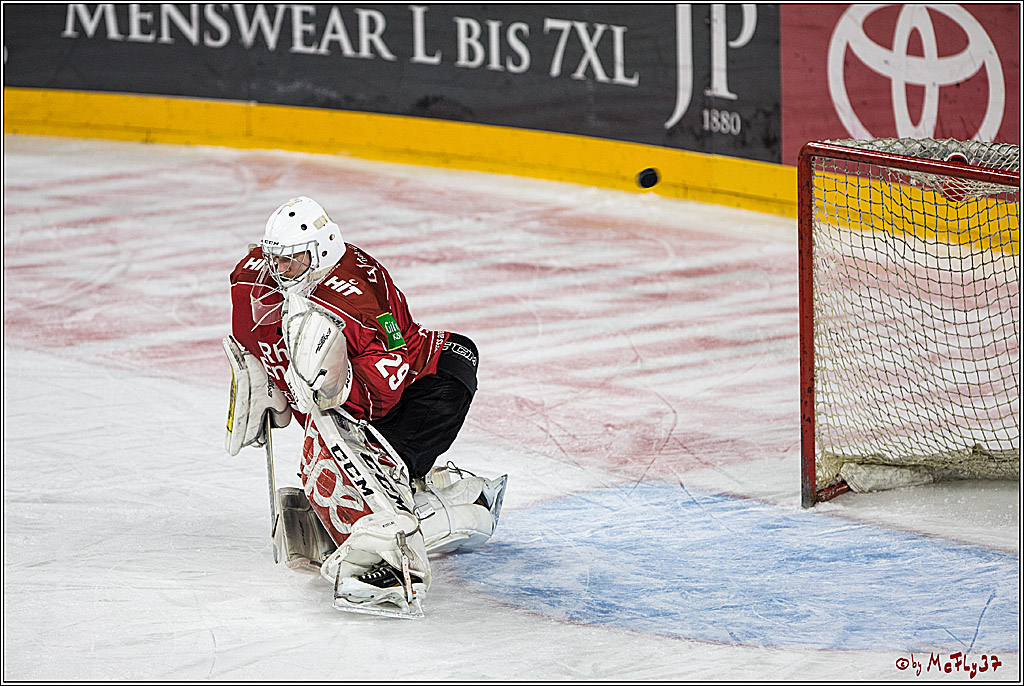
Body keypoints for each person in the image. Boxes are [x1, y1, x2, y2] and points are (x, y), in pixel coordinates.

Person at [222, 196, 506, 618]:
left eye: (292, 261)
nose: (279, 272)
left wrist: (340, 382)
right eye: (275, 259)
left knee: (458, 359)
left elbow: (385, 391)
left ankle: (409, 509)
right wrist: (261, 380)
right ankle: (415, 497)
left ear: (320, 252)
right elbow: (252, 332)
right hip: (346, 419)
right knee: (346, 448)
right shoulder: (251, 280)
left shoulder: (357, 299)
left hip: (419, 384)